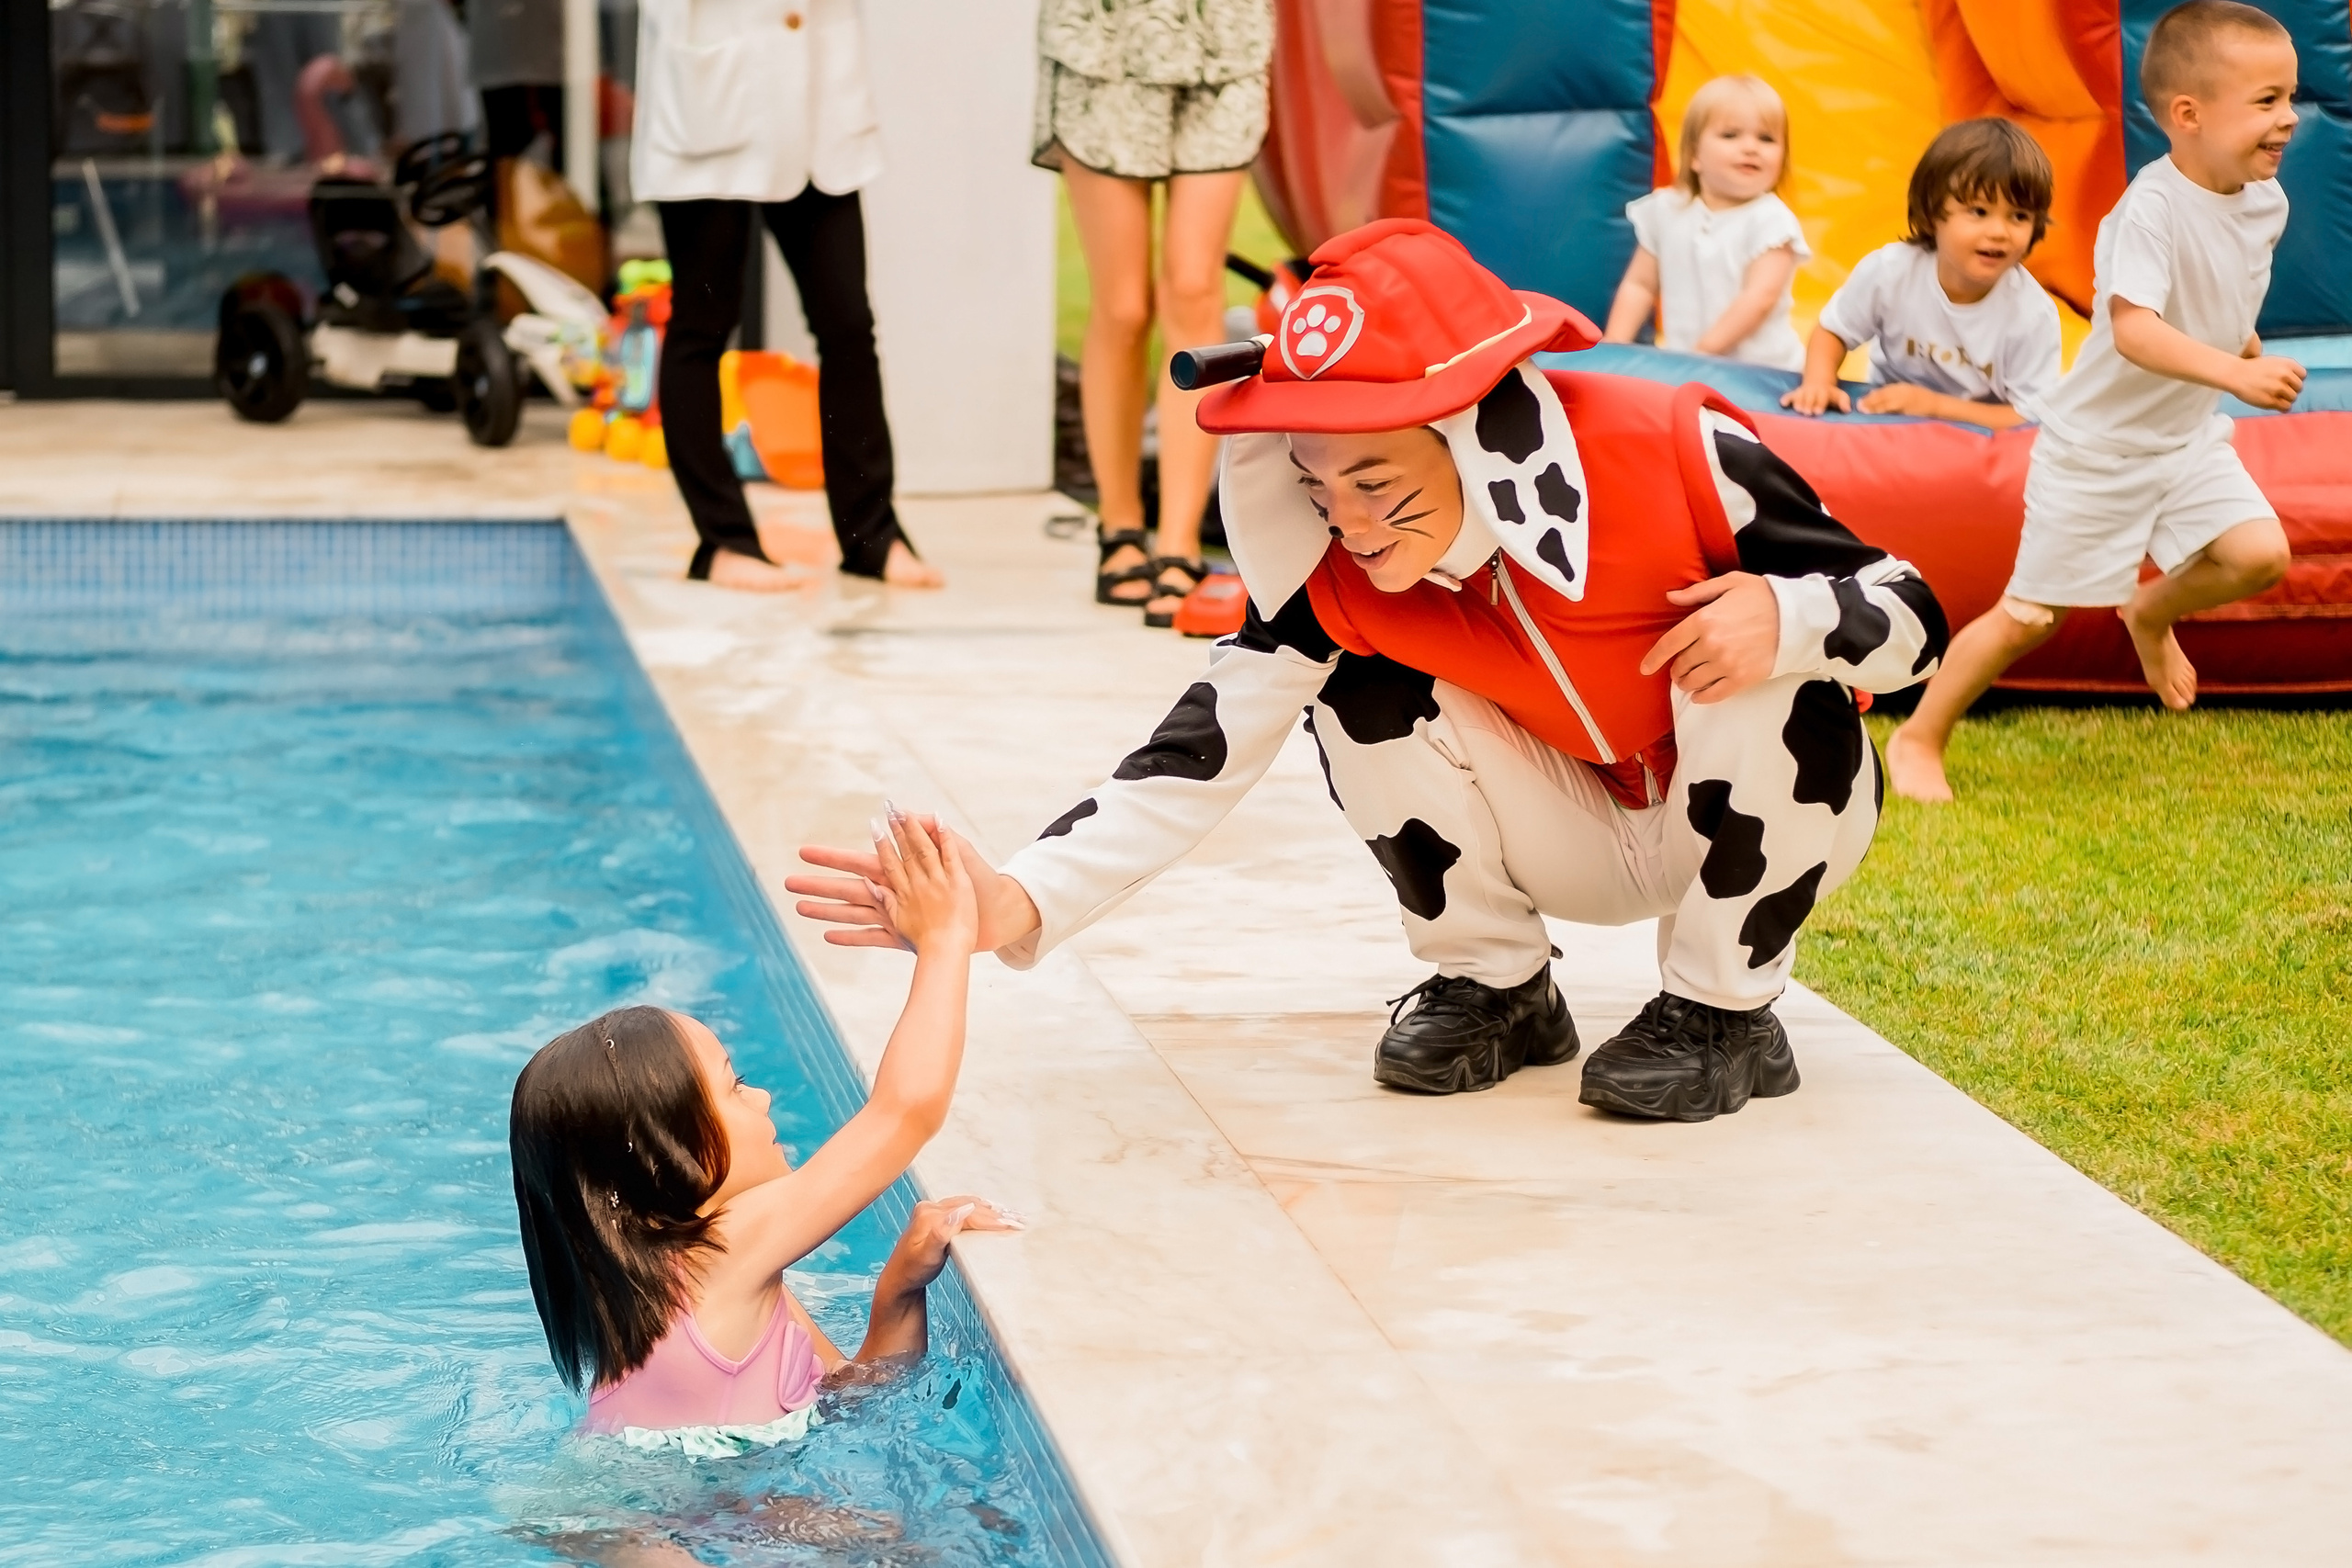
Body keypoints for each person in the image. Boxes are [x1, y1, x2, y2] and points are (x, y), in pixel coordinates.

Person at [791, 220, 1948, 1124]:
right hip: (1576, 828)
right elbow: (1196, 753)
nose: (1343, 519)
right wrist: (1021, 897)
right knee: (1360, 689)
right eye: (1316, 482)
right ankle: (1497, 987)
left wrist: (1788, 614)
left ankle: (1723, 1014)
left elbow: (1915, 616)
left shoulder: (1672, 447)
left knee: (1761, 662)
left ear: (1472, 437)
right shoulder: (1344, 579)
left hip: (1747, 823)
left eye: (1376, 482)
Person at [1889, 1, 2301, 801]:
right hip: (2099, 451)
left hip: (2181, 438)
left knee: (2259, 555)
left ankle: (2148, 612)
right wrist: (2235, 373)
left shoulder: (2265, 202)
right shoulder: (2148, 210)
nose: (2288, 118)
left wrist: (2239, 340)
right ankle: (1919, 735)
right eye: (2266, 101)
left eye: (2289, 97)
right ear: (2189, 115)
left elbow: (2222, 291)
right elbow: (2136, 331)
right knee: (2030, 616)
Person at [510, 809, 1014, 1446]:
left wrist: (898, 1290)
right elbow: (904, 1111)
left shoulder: (682, 1286)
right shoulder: (718, 1255)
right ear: (664, 1160)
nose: (764, 1096)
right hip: (672, 1500)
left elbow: (852, 1398)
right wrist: (946, 938)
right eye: (734, 1086)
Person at [631, 0, 940, 592]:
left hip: (819, 104)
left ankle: (871, 536)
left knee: (848, 324)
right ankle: (723, 542)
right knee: (703, 325)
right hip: (714, 97)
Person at [1034, 0, 1272, 626]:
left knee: (1194, 288)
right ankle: (1119, 527)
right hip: (1103, 41)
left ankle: (1179, 541)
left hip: (1222, 37)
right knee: (1123, 305)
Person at [1781, 118, 2062, 430]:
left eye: (2018, 216)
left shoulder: (2032, 315)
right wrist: (1818, 383)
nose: (1999, 232)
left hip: (1977, 436)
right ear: (1932, 213)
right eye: (1979, 211)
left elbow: (2027, 416)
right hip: (1889, 421)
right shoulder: (1891, 272)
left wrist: (1934, 407)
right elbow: (1833, 331)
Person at [1603, 74, 1809, 371]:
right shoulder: (1667, 210)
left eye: (1766, 139)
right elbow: (1640, 285)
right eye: (1731, 135)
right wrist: (1615, 343)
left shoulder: (1772, 221)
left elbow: (1760, 298)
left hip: (1764, 372)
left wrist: (1703, 352)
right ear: (1694, 155)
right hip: (1690, 364)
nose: (1751, 147)